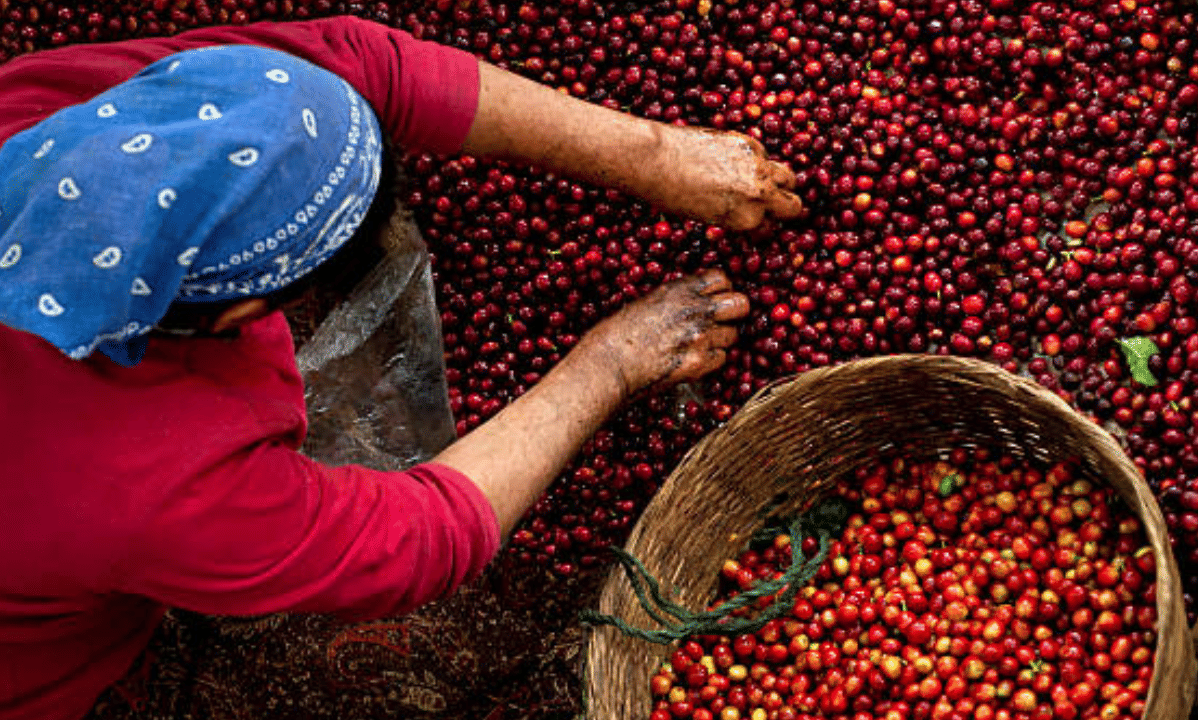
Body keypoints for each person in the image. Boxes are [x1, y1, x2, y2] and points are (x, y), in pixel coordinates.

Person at [0, 15, 802, 720]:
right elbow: (420, 538)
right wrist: (614, 360)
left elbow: (367, 66)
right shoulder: (143, 481)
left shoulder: (61, 118)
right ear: (237, 315)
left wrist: (656, 154)